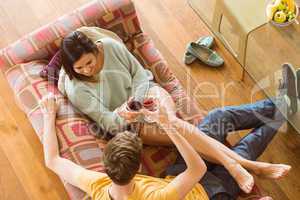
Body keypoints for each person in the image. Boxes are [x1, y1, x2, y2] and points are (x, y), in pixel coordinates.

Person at [57, 27, 291, 193]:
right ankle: (248, 164)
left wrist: (136, 102)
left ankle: (240, 164)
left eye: (90, 61)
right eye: (80, 67)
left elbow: (139, 75)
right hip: (130, 123)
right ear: (71, 68)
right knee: (178, 130)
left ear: (96, 50)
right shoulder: (78, 90)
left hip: (147, 93)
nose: (88, 69)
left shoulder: (108, 46)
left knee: (173, 122)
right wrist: (127, 112)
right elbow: (109, 122)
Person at [40, 93, 209, 199]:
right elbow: (198, 169)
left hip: (173, 179)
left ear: (106, 166)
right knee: (218, 118)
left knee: (212, 126)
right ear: (139, 167)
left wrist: (49, 115)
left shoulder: (98, 187)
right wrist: (165, 124)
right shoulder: (156, 197)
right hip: (208, 192)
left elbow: (52, 160)